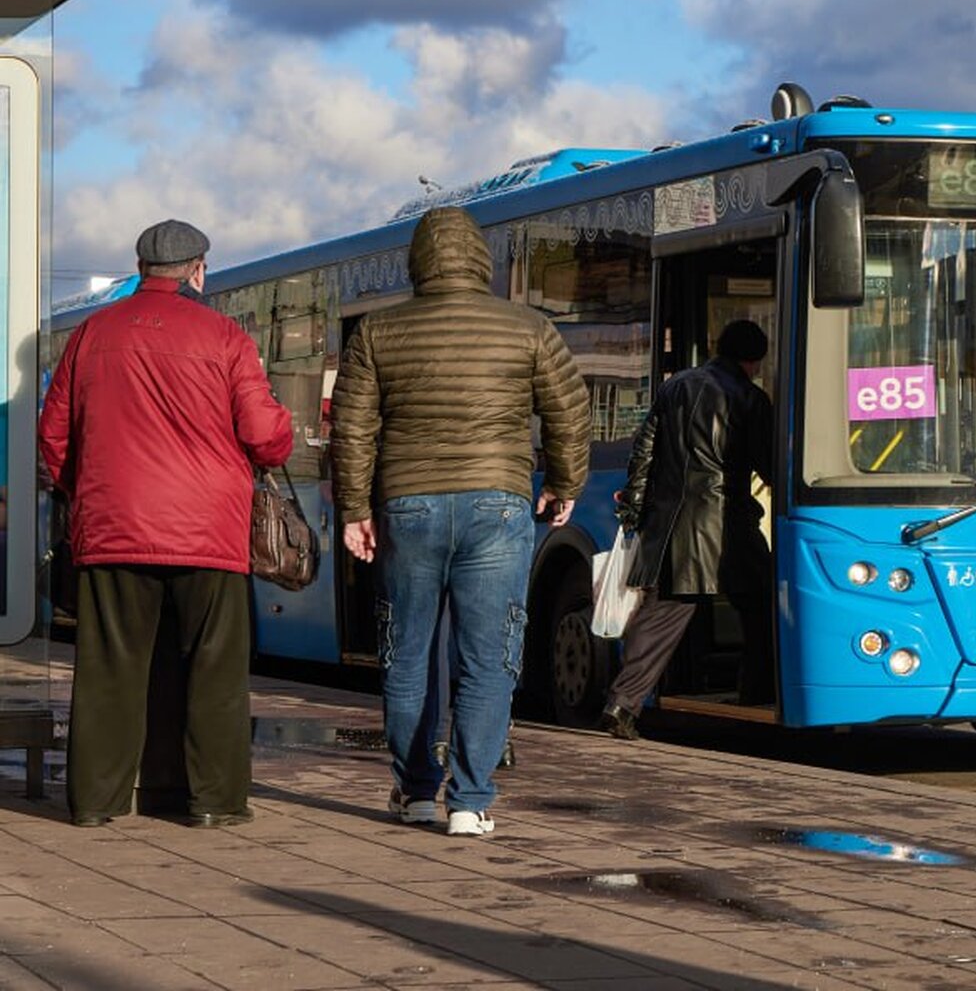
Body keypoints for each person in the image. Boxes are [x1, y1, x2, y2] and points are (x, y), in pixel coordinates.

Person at [330, 205, 589, 837]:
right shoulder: (529, 327)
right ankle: (470, 801)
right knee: (489, 658)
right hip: (497, 505)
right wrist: (564, 483)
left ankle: (416, 791)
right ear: (481, 260)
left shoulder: (377, 331)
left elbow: (353, 426)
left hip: (408, 506)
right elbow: (570, 411)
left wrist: (355, 509)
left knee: (407, 653)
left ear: (417, 263)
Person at [38, 219, 293, 828]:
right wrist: (282, 429)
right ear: (197, 270)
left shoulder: (91, 334)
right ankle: (212, 802)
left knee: (109, 668)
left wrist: (88, 492)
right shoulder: (225, 335)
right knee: (213, 668)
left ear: (141, 267)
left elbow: (53, 435)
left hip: (115, 527)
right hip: (209, 532)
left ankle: (96, 804)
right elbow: (265, 436)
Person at [602, 319, 774, 740]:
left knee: (663, 613)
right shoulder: (751, 399)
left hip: (671, 520)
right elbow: (767, 463)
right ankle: (755, 693)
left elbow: (644, 450)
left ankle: (621, 704)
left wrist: (635, 508)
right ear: (752, 360)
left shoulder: (675, 386)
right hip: (727, 520)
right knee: (763, 606)